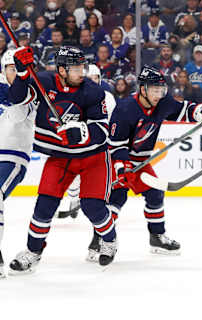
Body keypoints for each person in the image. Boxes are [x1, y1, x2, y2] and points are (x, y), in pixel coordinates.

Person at [8, 46, 118, 273]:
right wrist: (21, 75)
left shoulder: (93, 91)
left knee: (92, 206)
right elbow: (16, 99)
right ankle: (32, 252)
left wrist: (82, 132)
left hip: (93, 157)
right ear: (61, 70)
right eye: (75, 68)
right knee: (43, 207)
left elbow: (103, 130)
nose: (81, 72)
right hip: (60, 158)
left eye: (82, 67)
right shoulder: (44, 82)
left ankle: (109, 240)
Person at [93, 65, 202, 258]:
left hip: (142, 161)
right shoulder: (125, 108)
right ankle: (98, 242)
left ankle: (157, 237)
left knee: (155, 194)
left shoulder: (162, 103)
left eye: (161, 90)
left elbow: (183, 110)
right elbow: (115, 146)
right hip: (117, 160)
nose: (158, 94)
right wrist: (122, 169)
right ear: (142, 89)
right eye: (154, 90)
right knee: (116, 199)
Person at [55, 64, 116, 221]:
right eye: (89, 78)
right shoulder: (76, 95)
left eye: (95, 78)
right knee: (72, 173)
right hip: (81, 142)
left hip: (100, 142)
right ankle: (74, 199)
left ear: (100, 79)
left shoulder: (107, 98)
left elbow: (114, 122)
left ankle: (103, 202)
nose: (92, 81)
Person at [0, 50, 38, 278]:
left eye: (16, 69)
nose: (12, 73)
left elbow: (16, 114)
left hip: (11, 157)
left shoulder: (29, 92)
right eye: (9, 69)